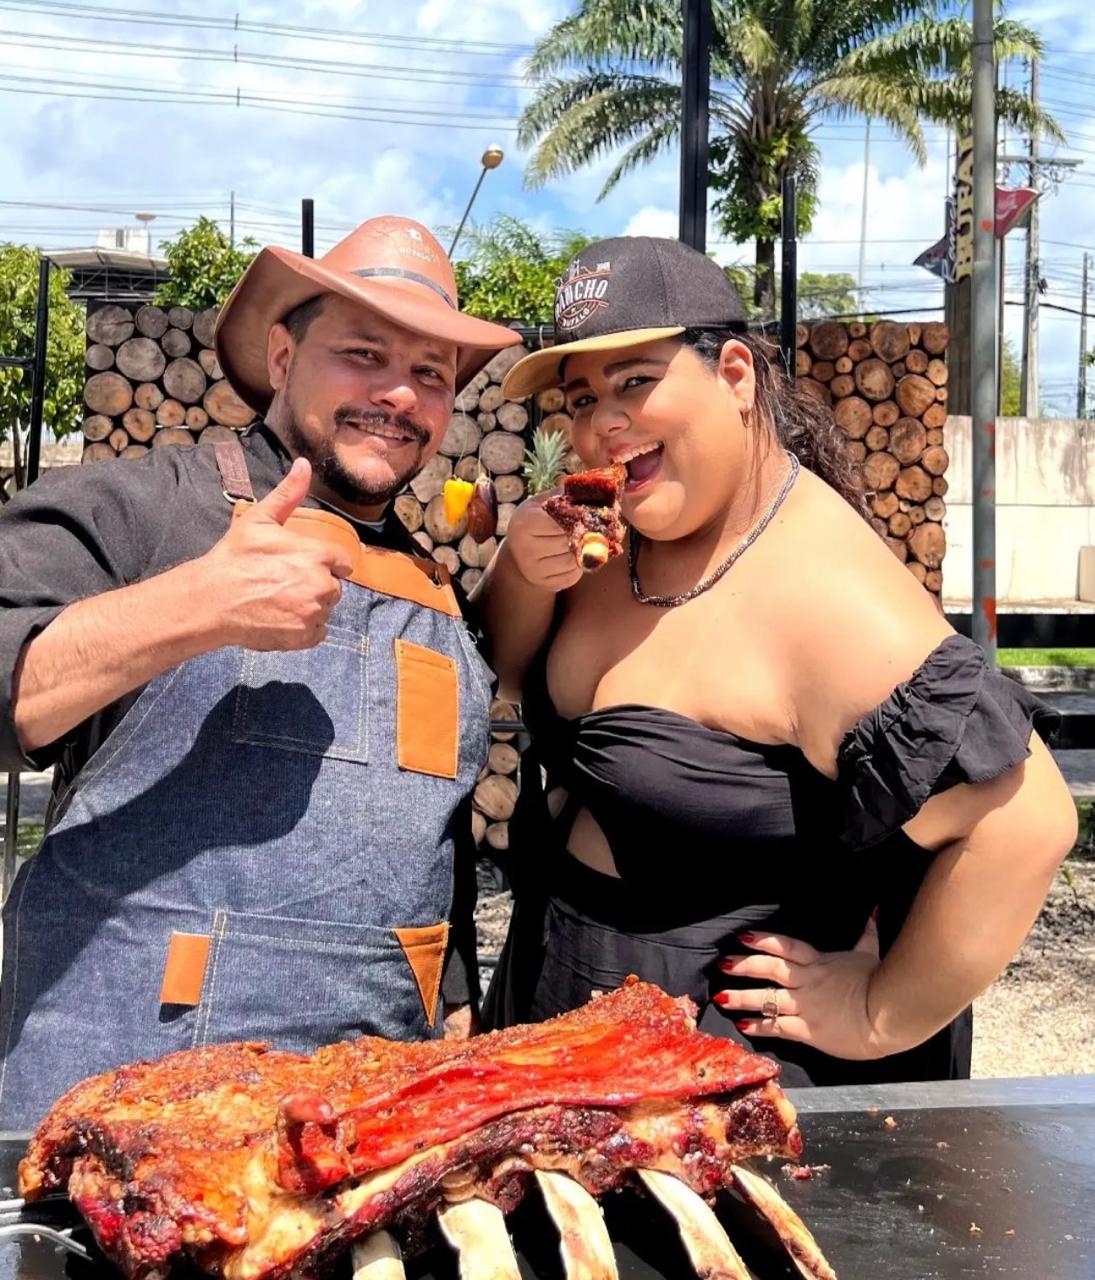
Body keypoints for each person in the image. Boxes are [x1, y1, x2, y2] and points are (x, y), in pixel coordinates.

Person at [475, 236, 1075, 1086]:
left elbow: (1023, 822)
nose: (601, 422)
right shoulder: (626, 538)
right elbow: (505, 671)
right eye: (580, 399)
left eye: (635, 381)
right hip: (568, 1023)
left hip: (709, 1089)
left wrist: (876, 1013)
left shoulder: (824, 593)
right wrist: (522, 575)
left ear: (732, 374)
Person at [0, 216, 521, 1128]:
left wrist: (453, 1001)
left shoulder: (434, 593)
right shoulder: (144, 510)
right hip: (116, 1112)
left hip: (362, 1116)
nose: (399, 394)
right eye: (364, 353)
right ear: (283, 356)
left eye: (431, 373)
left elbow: (425, 831)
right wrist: (190, 607)